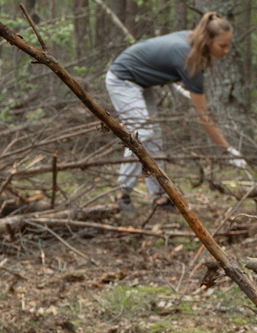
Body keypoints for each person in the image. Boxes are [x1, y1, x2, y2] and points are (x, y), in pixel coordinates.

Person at [104, 12, 244, 206]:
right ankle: (122, 195)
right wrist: (227, 150)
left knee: (154, 136)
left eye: (229, 45)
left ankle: (159, 197)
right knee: (141, 133)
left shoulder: (192, 42)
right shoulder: (190, 59)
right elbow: (203, 117)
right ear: (207, 40)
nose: (227, 50)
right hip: (122, 79)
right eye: (222, 45)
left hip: (139, 82)